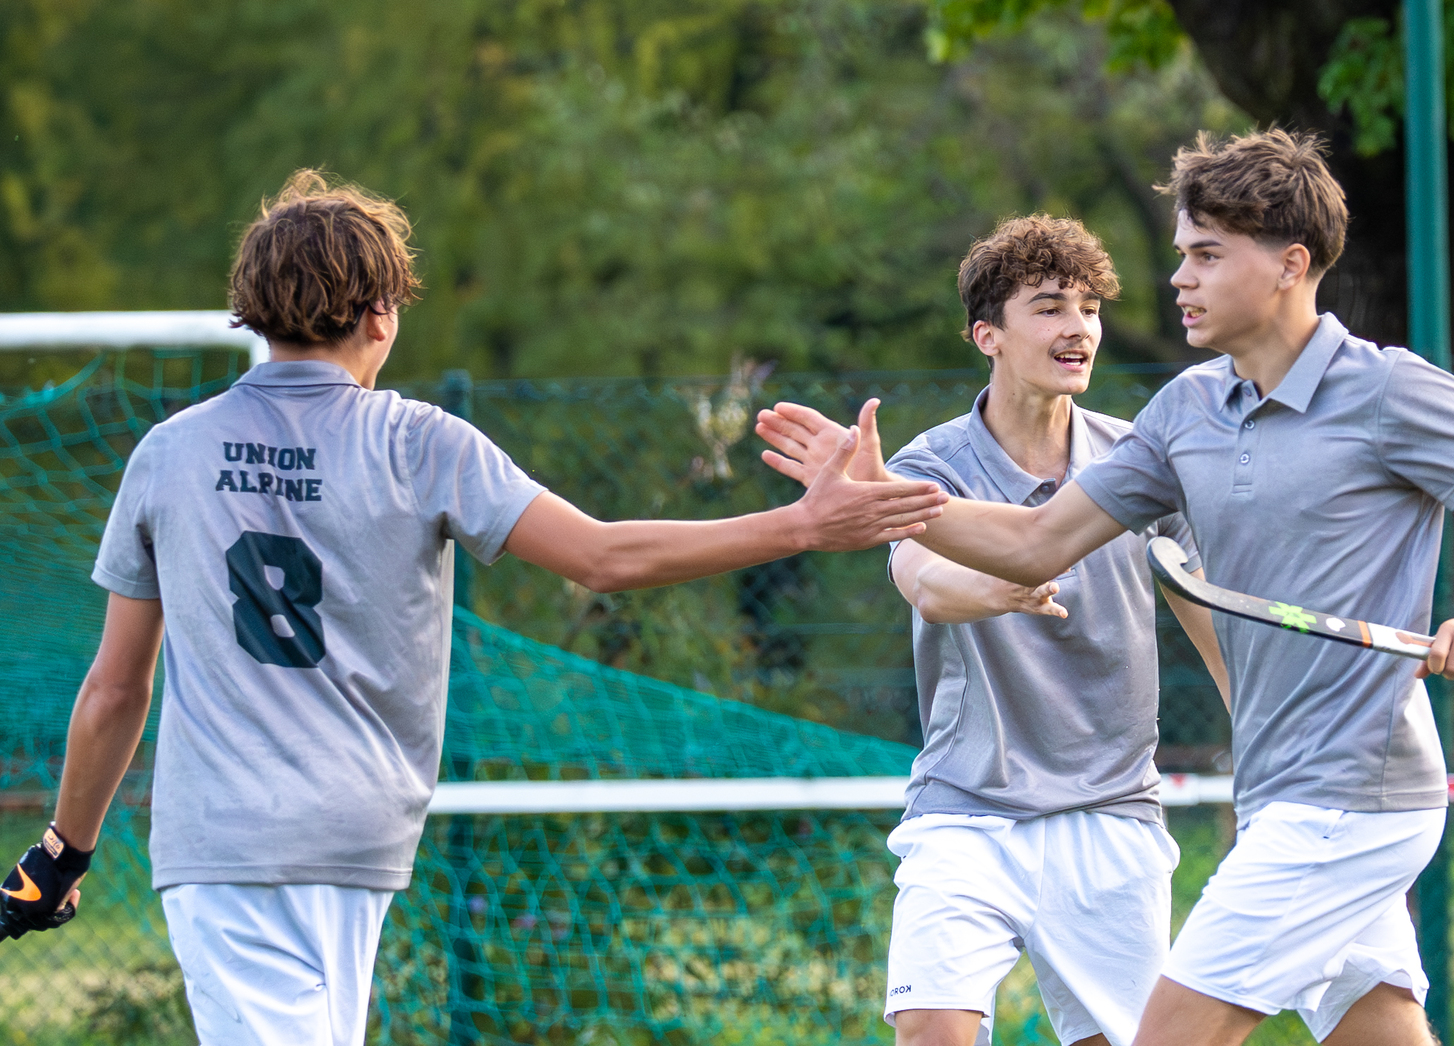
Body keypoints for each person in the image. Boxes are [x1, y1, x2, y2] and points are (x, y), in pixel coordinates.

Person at [0, 170, 949, 1044]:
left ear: (252, 308)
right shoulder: (420, 443)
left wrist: (65, 850)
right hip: (360, 829)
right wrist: (798, 525)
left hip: (226, 836)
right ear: (380, 313)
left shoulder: (170, 453)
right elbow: (603, 557)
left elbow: (116, 689)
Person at [759, 130, 1454, 1046]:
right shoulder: (1186, 410)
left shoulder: (1390, 391)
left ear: (1290, 266)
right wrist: (883, 496)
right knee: (1378, 1027)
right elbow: (1036, 541)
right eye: (1183, 254)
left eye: (1207, 256)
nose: (1179, 279)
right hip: (1280, 789)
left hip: (1356, 793)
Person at [757, 214, 1229, 1046]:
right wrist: (999, 584)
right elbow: (925, 583)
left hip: (1112, 811)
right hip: (968, 811)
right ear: (989, 336)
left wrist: (1268, 737)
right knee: (931, 1030)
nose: (1078, 328)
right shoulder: (928, 466)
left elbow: (1208, 616)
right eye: (1049, 307)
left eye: (1089, 308)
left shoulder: (1139, 464)